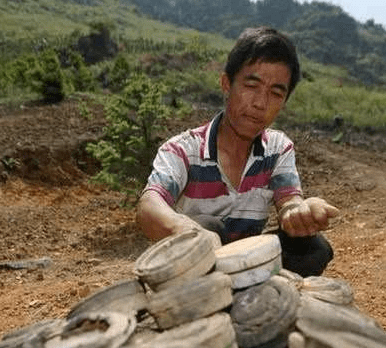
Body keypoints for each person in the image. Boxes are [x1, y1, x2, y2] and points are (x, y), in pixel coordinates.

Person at [136, 27, 339, 277]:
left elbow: (288, 203)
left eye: (275, 93)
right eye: (251, 86)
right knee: (207, 226)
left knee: (313, 249)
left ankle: (261, 302)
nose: (260, 103)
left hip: (247, 265)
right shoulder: (182, 150)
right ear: (226, 83)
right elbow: (149, 205)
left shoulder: (278, 148)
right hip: (193, 270)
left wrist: (298, 213)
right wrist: (189, 231)